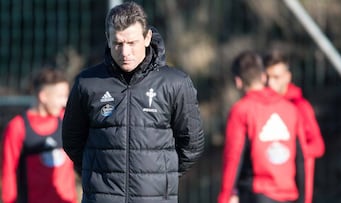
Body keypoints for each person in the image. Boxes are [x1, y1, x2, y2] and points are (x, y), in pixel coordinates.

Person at [62, 2, 205, 203]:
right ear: (108, 39)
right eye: (118, 44)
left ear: (147, 38)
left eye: (132, 43)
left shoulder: (176, 83)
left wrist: (161, 175)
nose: (125, 52)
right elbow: (72, 140)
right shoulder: (87, 83)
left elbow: (192, 143)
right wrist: (97, 173)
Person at [218, 51, 306, 203]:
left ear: (238, 82)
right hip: (290, 194)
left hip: (257, 193)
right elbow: (301, 157)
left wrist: (226, 196)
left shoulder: (241, 110)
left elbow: (234, 157)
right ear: (264, 77)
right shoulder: (291, 109)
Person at [1, 68, 78, 203]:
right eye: (60, 96)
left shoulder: (67, 121)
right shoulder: (18, 127)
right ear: (43, 96)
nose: (64, 102)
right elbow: (8, 173)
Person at [263, 50, 325, 203]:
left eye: (276, 77)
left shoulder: (299, 107)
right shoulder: (261, 109)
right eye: (268, 78)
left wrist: (291, 151)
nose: (271, 83)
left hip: (296, 192)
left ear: (287, 77)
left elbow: (318, 146)